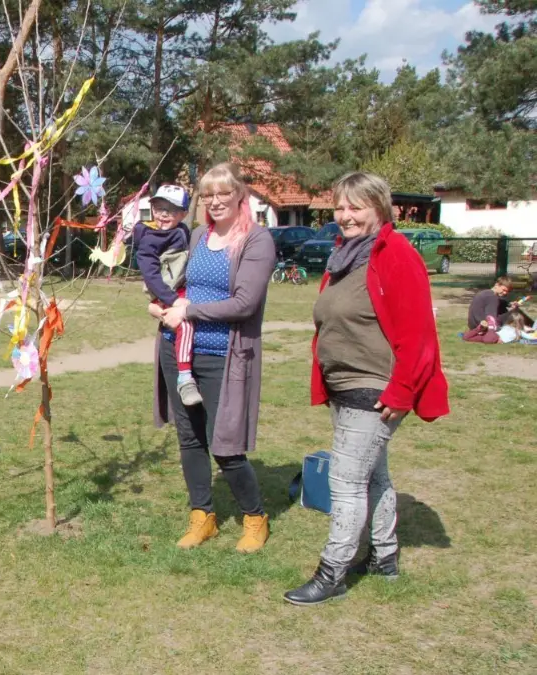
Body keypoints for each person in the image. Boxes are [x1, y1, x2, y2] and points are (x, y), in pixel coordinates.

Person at [284, 172, 449, 606]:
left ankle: (333, 571)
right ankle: (383, 557)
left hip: (372, 387)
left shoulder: (397, 254)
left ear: (379, 207)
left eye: (355, 207)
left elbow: (419, 335)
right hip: (345, 383)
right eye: (339, 207)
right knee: (373, 475)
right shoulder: (346, 254)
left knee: (345, 480)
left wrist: (401, 391)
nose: (345, 215)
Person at [153, 162, 274, 553]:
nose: (216, 200)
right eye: (208, 195)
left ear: (240, 195)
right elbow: (174, 281)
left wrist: (189, 311)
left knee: (224, 444)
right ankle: (202, 516)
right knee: (189, 438)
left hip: (224, 356)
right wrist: (159, 304)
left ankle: (255, 518)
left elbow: (244, 302)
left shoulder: (256, 241)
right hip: (179, 350)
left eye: (224, 193)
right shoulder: (199, 236)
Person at [133, 184, 200, 406]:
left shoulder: (179, 231)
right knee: (186, 324)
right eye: (159, 208)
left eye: (170, 210)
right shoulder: (151, 239)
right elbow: (151, 276)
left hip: (178, 288)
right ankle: (185, 377)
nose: (163, 214)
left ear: (183, 214)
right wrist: (171, 299)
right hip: (166, 291)